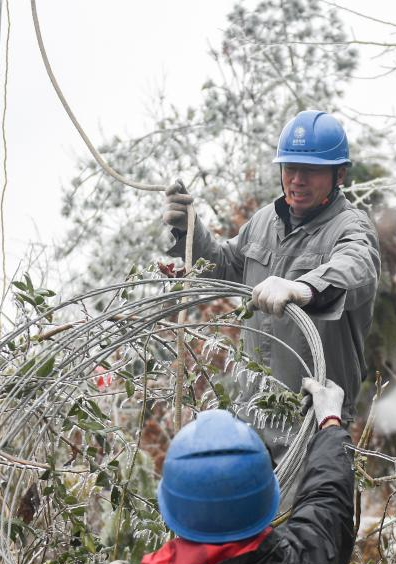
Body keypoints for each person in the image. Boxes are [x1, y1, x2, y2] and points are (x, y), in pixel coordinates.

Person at [57, 378, 354, 564]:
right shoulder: (312, 560)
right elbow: (329, 494)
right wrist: (329, 420)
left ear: (172, 509)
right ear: (265, 501)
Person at [161, 110, 380, 426]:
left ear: (340, 175)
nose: (297, 180)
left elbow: (357, 269)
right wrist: (188, 230)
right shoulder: (265, 222)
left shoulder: (352, 227)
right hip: (253, 418)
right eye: (290, 168)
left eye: (311, 170)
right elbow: (222, 267)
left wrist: (302, 288)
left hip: (315, 423)